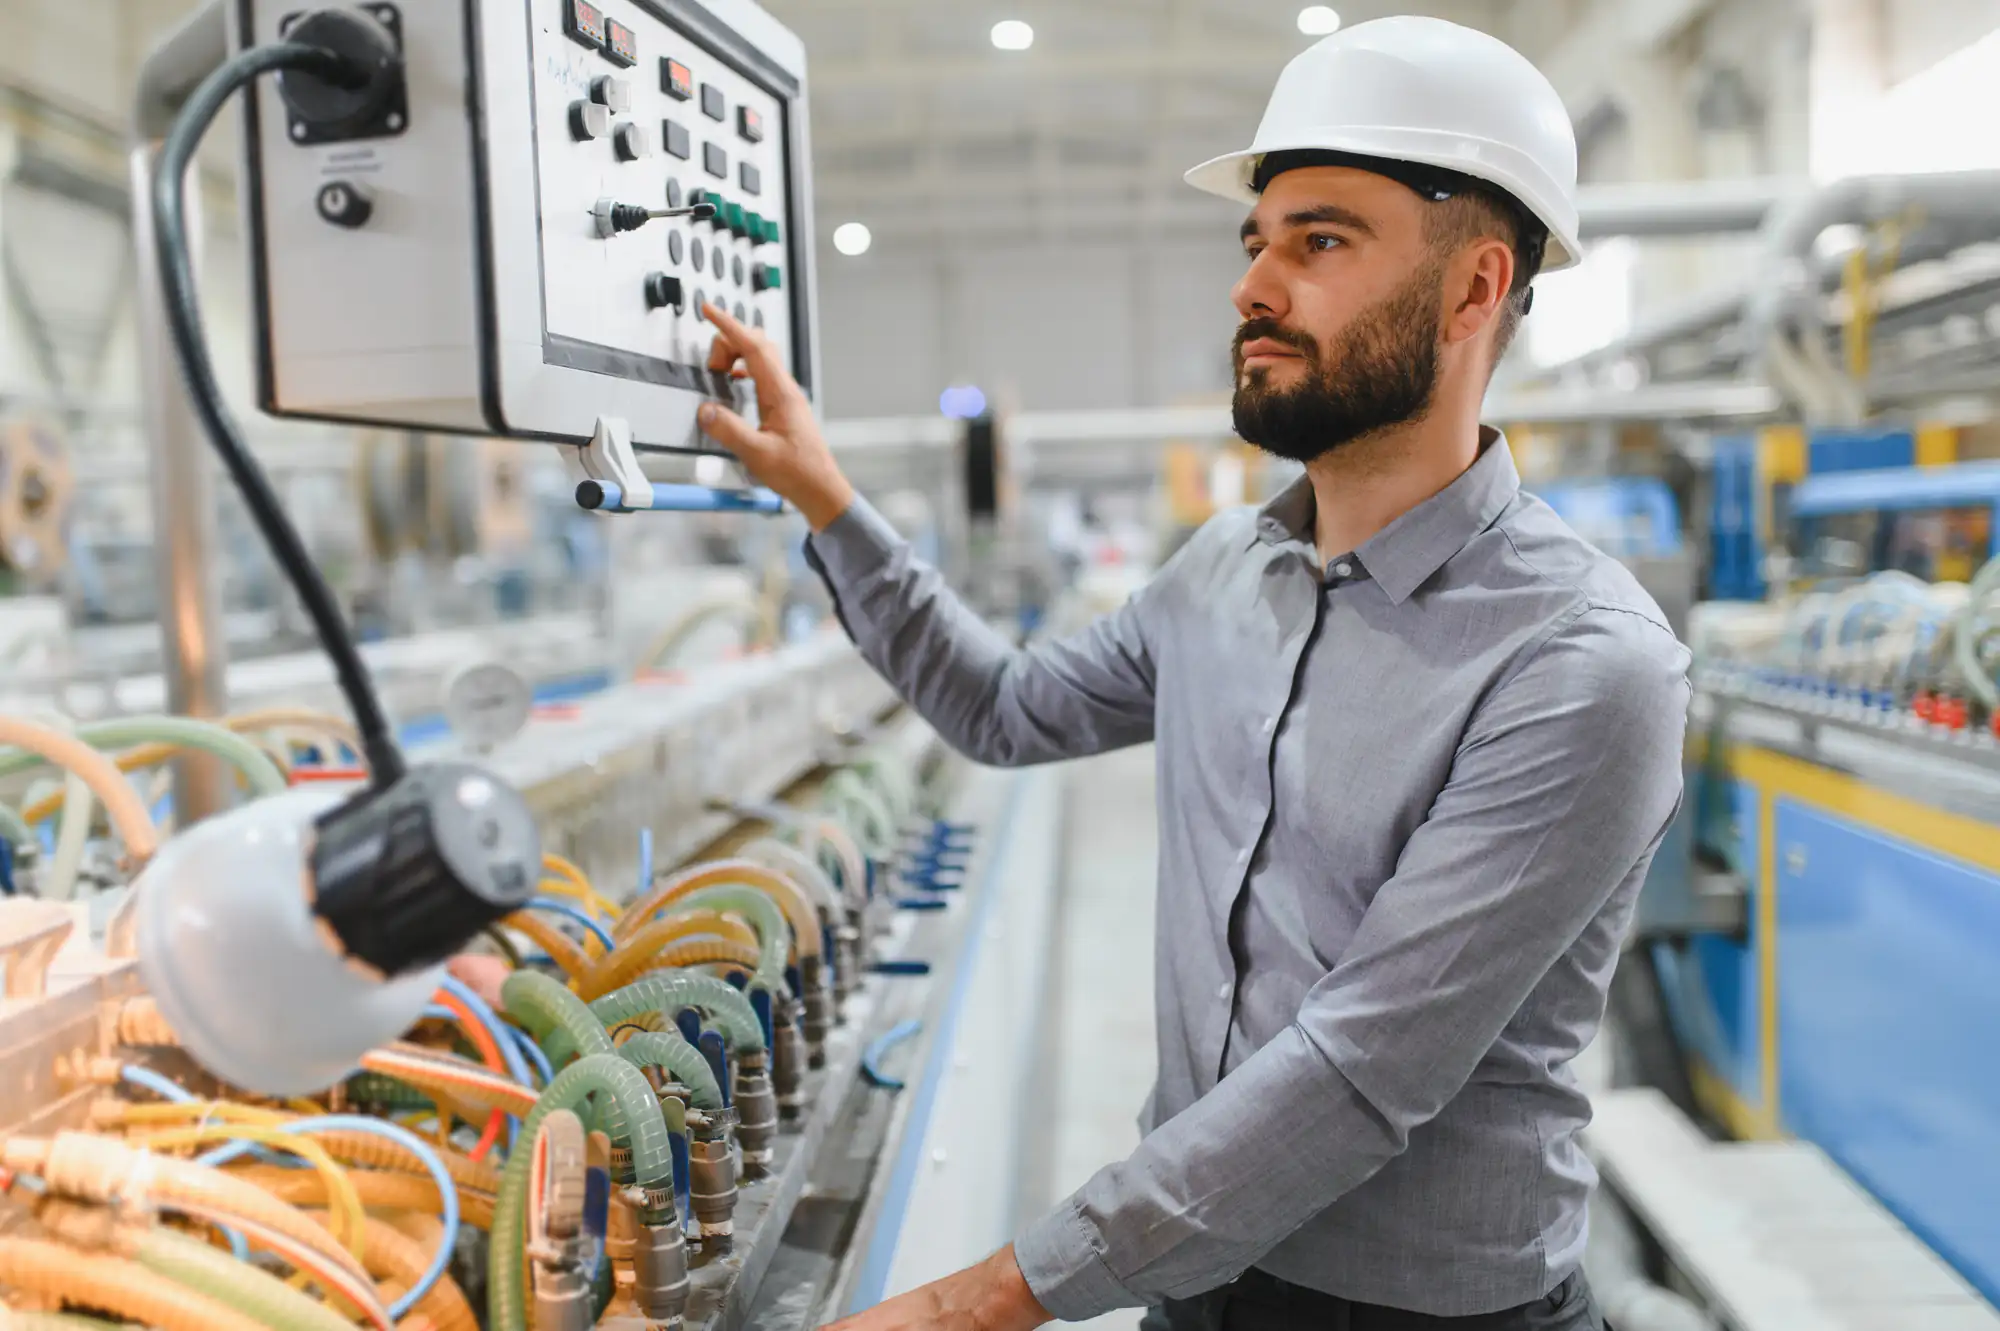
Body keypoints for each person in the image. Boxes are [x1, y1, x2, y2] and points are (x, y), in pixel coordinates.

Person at [695, 15, 1689, 1331]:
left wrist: (980, 1299)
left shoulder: (1581, 663)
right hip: (1199, 1285)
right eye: (1255, 242)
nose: (1254, 286)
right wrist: (829, 501)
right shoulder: (1221, 573)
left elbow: (1355, 1072)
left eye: (1320, 241)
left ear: (1473, 288)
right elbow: (1002, 706)